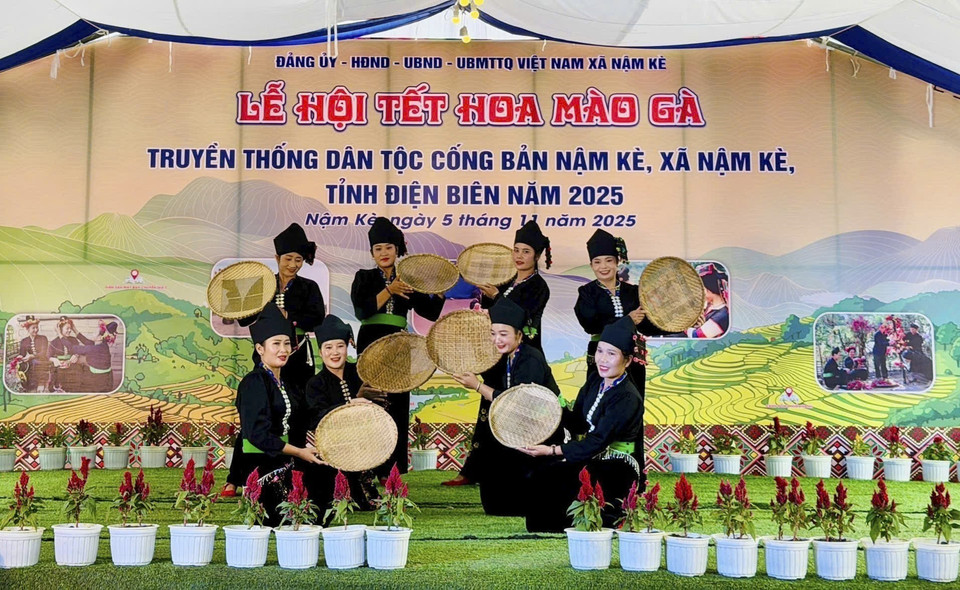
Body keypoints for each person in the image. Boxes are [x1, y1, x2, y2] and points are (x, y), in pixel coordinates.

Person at [519, 317, 647, 532]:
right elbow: (577, 422)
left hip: (618, 466)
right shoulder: (595, 382)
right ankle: (544, 526)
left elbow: (598, 440)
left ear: (627, 360)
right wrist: (548, 401)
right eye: (600, 351)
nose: (603, 359)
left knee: (558, 476)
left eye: (611, 353)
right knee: (540, 473)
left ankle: (594, 518)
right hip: (594, 456)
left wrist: (552, 451)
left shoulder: (627, 396)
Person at [226, 222, 326, 497]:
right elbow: (245, 316)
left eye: (298, 259)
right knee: (258, 417)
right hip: (269, 361)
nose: (293, 264)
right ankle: (235, 477)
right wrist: (234, 305)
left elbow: (316, 318)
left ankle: (294, 469)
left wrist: (290, 320)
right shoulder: (263, 285)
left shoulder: (309, 287)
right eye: (288, 259)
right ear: (277, 259)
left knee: (296, 414)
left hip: (298, 359)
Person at [351, 216, 444, 478]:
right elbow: (362, 311)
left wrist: (437, 290)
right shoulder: (364, 277)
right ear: (372, 253)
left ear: (397, 250)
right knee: (371, 401)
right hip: (370, 342)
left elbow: (431, 312)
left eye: (388, 248)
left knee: (398, 404)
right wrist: (389, 290)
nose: (383, 253)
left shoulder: (408, 278)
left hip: (400, 344)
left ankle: (392, 470)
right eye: (378, 249)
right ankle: (365, 466)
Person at [448, 298, 561, 514]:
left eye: (503, 334)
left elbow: (519, 402)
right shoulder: (503, 358)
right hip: (514, 432)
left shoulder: (531, 358)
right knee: (493, 500)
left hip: (540, 432)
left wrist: (477, 386)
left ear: (519, 335)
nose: (497, 340)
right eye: (493, 334)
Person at [571, 229, 667, 476]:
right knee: (597, 411)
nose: (603, 267)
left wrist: (683, 322)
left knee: (632, 415)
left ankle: (635, 474)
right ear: (591, 265)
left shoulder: (633, 292)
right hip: (602, 359)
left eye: (608, 261)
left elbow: (649, 324)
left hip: (633, 361)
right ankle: (594, 472)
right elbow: (589, 324)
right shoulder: (587, 293)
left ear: (617, 262)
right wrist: (626, 319)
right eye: (597, 262)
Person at [233, 302, 325, 526]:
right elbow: (257, 435)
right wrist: (299, 453)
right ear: (259, 349)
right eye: (276, 344)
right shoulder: (253, 383)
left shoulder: (289, 384)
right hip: (261, 464)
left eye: (286, 344)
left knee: (325, 479)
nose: (283, 350)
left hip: (288, 458)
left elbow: (307, 418)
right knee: (286, 513)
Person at [303, 314, 384, 511]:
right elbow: (317, 416)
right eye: (328, 347)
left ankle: (364, 486)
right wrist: (350, 404)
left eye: (339, 346)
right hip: (331, 443)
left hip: (362, 442)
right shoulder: (315, 383)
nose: (335, 352)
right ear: (321, 352)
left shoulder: (359, 373)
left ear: (347, 347)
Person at [477, 220, 551, 352]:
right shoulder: (505, 281)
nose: (519, 256)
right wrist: (486, 294)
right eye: (516, 250)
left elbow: (521, 315)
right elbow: (489, 312)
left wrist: (496, 296)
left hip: (526, 350)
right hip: (498, 350)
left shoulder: (539, 286)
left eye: (526, 252)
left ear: (537, 256)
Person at [71, 321, 120, 393]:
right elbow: (87, 341)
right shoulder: (102, 344)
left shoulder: (94, 348)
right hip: (108, 378)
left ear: (100, 337)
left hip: (100, 384)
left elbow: (72, 347)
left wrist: (60, 334)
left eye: (95, 332)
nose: (93, 333)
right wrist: (74, 329)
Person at [47, 316, 92, 392]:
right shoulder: (54, 342)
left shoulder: (73, 340)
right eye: (67, 328)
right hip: (59, 364)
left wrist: (76, 355)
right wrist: (55, 360)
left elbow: (78, 350)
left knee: (79, 372)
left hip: (72, 363)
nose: (69, 330)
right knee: (57, 374)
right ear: (60, 329)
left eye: (70, 328)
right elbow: (48, 356)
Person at [685, 263, 729, 338]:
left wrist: (683, 325)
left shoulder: (722, 316)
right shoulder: (709, 306)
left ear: (709, 289)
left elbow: (696, 336)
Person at [17, 316, 49, 392]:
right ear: (28, 329)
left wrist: (32, 356)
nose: (36, 330)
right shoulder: (24, 341)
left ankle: (41, 383)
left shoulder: (43, 338)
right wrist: (19, 358)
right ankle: (26, 384)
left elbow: (43, 352)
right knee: (21, 365)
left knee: (35, 362)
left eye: (37, 328)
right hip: (30, 361)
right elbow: (22, 353)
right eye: (33, 328)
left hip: (42, 360)